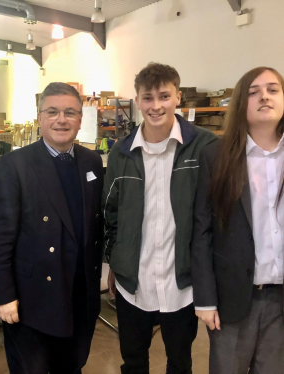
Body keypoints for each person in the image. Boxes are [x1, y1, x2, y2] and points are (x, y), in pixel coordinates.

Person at [102, 62, 217, 374]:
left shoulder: (204, 147)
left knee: (180, 363)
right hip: (133, 283)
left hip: (181, 283)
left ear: (177, 97)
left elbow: (214, 215)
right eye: (148, 98)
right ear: (138, 101)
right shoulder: (120, 155)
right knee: (134, 362)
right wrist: (114, 261)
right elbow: (110, 213)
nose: (156, 106)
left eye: (164, 96)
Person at [0, 82, 104, 374]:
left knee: (72, 366)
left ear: (80, 120)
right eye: (52, 111)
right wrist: (3, 295)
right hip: (31, 298)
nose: (61, 119)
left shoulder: (91, 162)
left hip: (79, 293)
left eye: (70, 112)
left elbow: (95, 226)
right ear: (40, 118)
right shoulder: (15, 165)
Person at [191, 66, 284, 374]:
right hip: (234, 298)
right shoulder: (216, 156)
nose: (264, 97)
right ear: (241, 102)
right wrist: (204, 299)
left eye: (273, 90)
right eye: (254, 92)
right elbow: (202, 231)